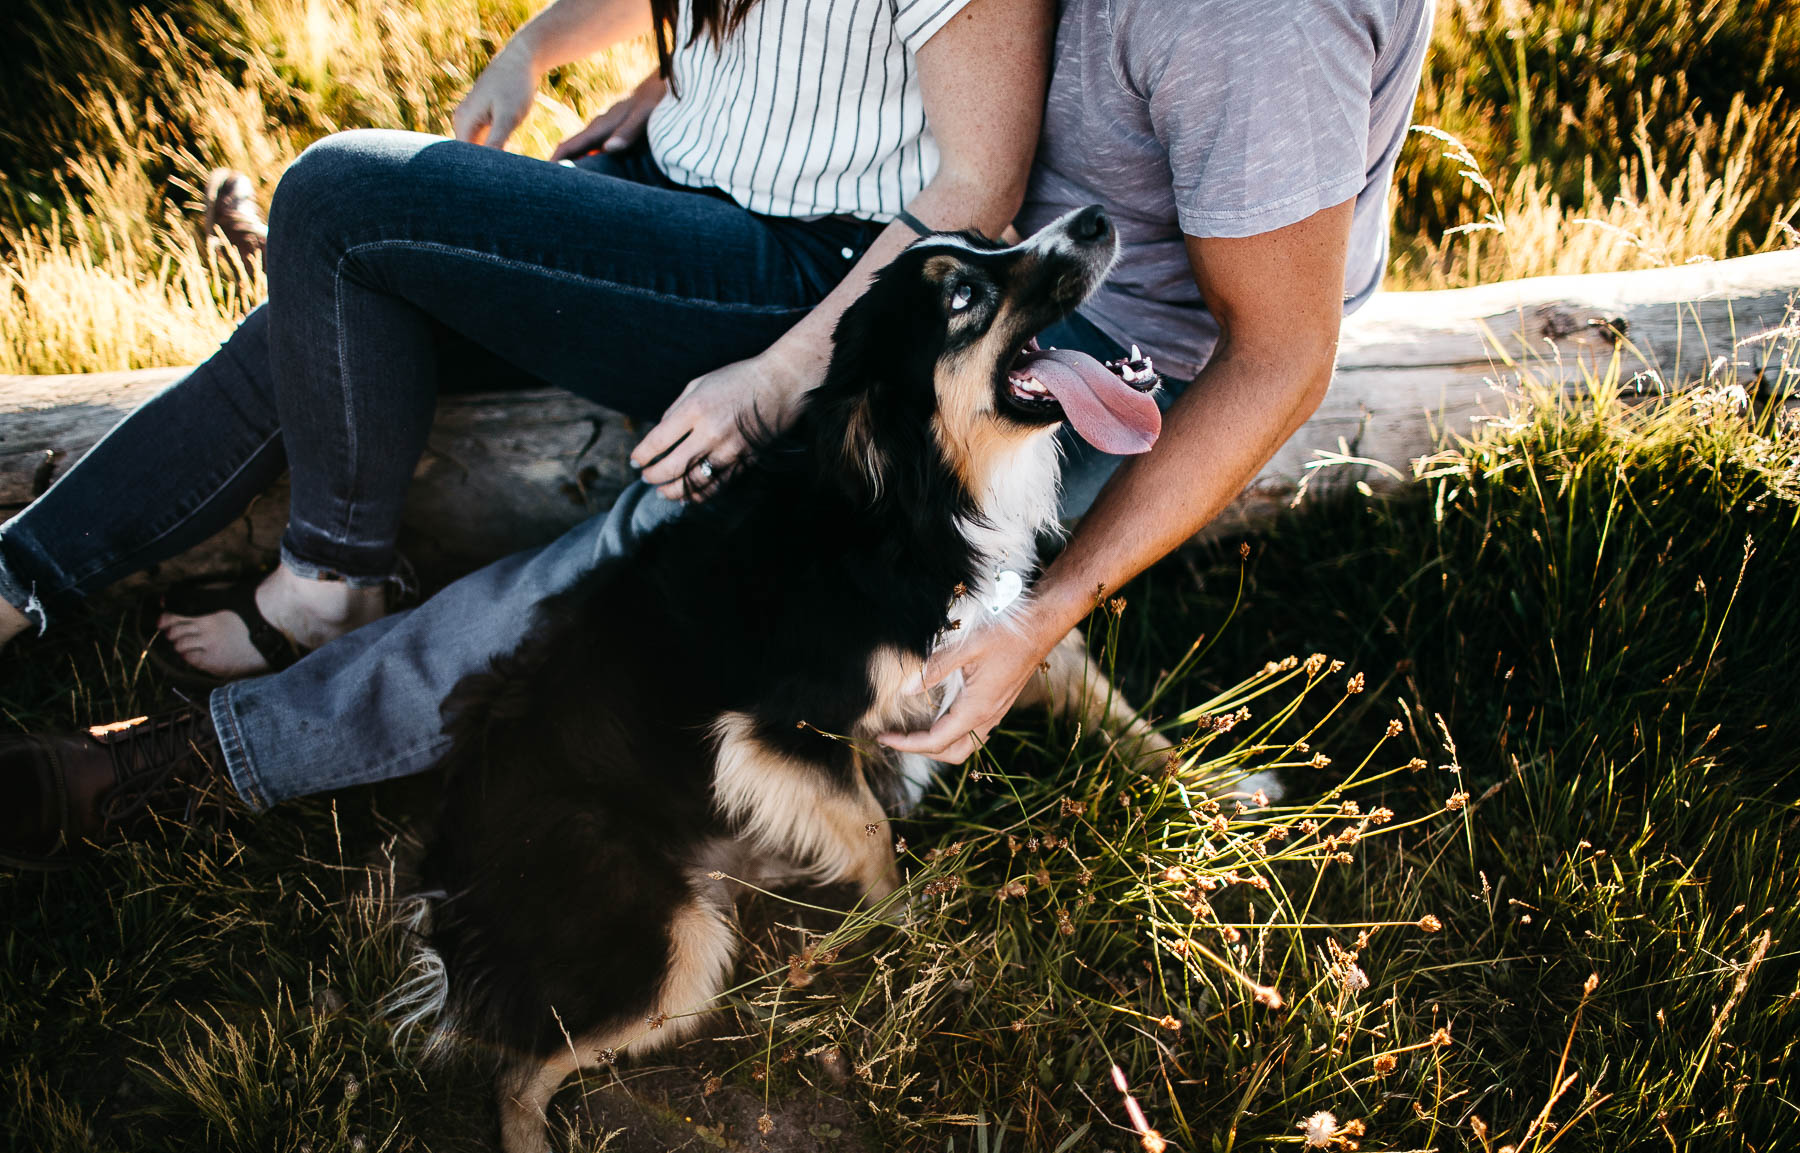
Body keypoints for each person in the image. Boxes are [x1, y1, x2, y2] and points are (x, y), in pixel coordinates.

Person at [1, 0, 1433, 864]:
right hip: (912, 291)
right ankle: (26, 576)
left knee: (653, 551)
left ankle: (186, 768)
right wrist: (668, 92)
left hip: (1039, 366)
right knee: (333, 317)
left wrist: (1040, 608)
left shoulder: (1253, 26)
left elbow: (1280, 357)